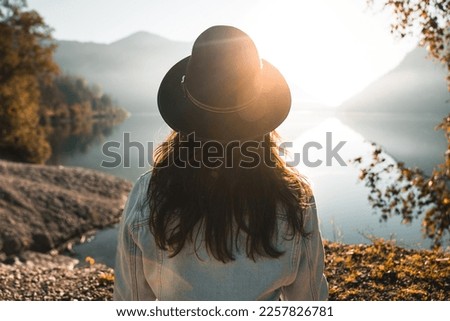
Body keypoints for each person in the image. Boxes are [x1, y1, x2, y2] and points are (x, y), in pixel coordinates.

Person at [114, 25, 328, 300]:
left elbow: (131, 302)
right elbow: (309, 303)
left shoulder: (148, 195)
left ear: (185, 109)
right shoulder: (294, 199)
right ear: (261, 109)